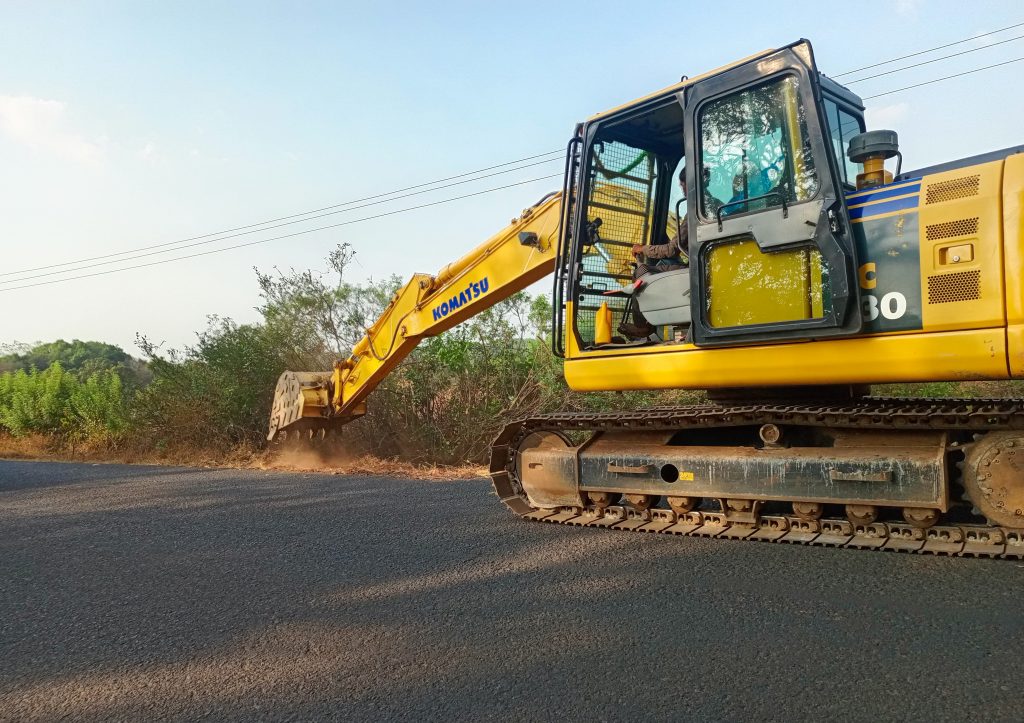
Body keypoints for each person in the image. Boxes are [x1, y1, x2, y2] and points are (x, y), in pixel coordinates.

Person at [618, 165, 688, 339]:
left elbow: (671, 250)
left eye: (682, 185)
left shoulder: (694, 214)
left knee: (641, 273)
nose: (682, 190)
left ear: (690, 183)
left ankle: (642, 326)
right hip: (700, 265)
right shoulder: (712, 205)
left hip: (694, 270)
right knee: (666, 264)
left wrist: (642, 249)